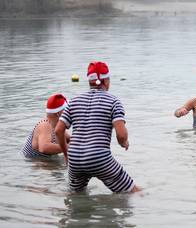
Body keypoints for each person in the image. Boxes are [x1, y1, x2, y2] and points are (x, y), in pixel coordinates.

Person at [55, 61, 140, 193]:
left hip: (75, 158)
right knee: (133, 194)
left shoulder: (74, 101)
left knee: (76, 197)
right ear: (106, 81)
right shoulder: (113, 101)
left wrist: (66, 154)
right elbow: (121, 135)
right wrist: (124, 143)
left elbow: (58, 130)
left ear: (90, 81)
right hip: (99, 157)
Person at [22, 94, 70, 159]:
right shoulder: (45, 125)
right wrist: (69, 147)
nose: (69, 113)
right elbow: (44, 148)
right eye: (67, 110)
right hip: (34, 160)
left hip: (46, 159)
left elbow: (69, 139)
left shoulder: (57, 125)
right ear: (58, 113)